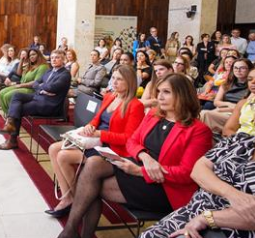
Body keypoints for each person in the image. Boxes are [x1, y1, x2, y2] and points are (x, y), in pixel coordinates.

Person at [56, 74, 212, 238]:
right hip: (139, 164)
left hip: (164, 186)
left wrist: (139, 171)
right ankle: (71, 231)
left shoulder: (199, 130)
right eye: (158, 91)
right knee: (94, 164)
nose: (159, 96)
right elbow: (132, 141)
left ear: (182, 95)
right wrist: (145, 157)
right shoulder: (153, 115)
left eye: (167, 92)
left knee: (91, 186)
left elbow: (187, 174)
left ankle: (74, 233)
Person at [46, 65, 144, 218]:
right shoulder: (111, 96)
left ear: (130, 82)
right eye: (113, 78)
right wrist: (90, 126)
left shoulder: (135, 105)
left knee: (63, 156)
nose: (114, 82)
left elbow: (128, 139)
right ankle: (68, 196)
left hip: (112, 148)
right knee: (53, 148)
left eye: (119, 79)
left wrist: (99, 133)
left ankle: (78, 199)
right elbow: (97, 118)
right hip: (95, 140)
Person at [140, 132, 255, 238]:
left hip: (229, 228)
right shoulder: (240, 140)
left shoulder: (198, 130)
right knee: (148, 235)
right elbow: (198, 171)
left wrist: (206, 218)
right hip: (193, 210)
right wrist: (232, 194)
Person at [0, 50, 71, 150]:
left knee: (19, 109)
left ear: (63, 60)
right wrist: (42, 88)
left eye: (57, 57)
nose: (53, 59)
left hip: (48, 104)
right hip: (39, 96)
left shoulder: (65, 74)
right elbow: (36, 83)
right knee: (17, 95)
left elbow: (51, 88)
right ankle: (10, 122)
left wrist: (42, 87)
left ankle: (12, 141)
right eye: (52, 57)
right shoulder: (49, 71)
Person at [200, 58, 253, 134]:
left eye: (242, 68)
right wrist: (229, 105)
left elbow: (246, 107)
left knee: (205, 114)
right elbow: (216, 102)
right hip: (223, 110)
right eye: (235, 67)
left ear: (250, 70)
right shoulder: (227, 83)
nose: (238, 70)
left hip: (237, 115)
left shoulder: (252, 86)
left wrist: (229, 108)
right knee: (202, 114)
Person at [0, 48, 49, 117]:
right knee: (1, 93)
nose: (31, 57)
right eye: (30, 55)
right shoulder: (31, 65)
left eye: (34, 54)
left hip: (32, 90)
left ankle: (12, 117)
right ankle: (8, 114)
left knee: (8, 96)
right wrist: (21, 60)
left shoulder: (43, 66)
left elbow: (36, 82)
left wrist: (20, 85)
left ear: (39, 55)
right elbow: (19, 73)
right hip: (23, 86)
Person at [222, 67, 255, 137]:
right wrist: (243, 142)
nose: (253, 82)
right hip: (240, 142)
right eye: (250, 79)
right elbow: (227, 130)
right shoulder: (243, 103)